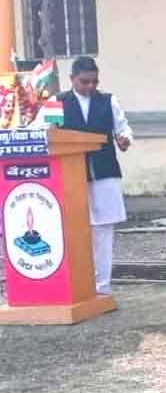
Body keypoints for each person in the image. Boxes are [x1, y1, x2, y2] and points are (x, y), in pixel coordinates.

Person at [30, 56, 135, 295]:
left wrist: (125, 139)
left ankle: (103, 287)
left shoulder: (108, 101)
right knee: (71, 229)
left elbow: (123, 129)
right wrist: (51, 132)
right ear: (72, 79)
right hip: (69, 174)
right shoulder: (58, 102)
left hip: (105, 172)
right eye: (84, 81)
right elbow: (43, 133)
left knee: (103, 231)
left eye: (94, 82)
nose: (90, 87)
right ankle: (75, 285)